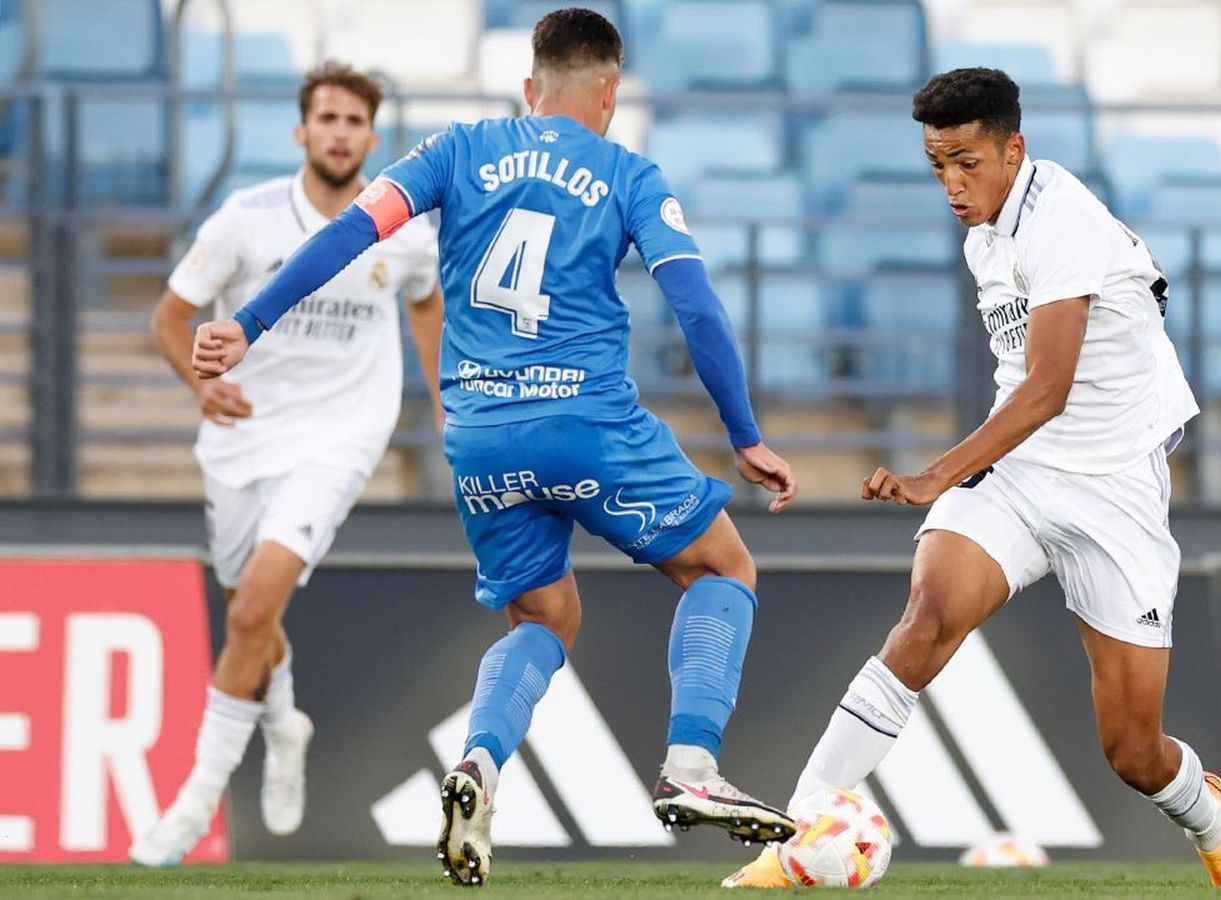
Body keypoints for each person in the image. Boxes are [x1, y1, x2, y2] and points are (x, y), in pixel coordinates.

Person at [189, 9, 799, 887]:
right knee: (722, 569)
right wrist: (744, 435)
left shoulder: (456, 149)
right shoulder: (628, 172)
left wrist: (249, 324)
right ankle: (692, 768)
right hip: (588, 421)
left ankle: (479, 764)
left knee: (543, 617)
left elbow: (350, 234)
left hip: (478, 436)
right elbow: (696, 307)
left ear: (529, 88)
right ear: (610, 93)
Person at [722, 68, 1221, 889]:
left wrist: (934, 475)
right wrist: (962, 481)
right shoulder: (985, 236)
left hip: (1114, 488)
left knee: (1132, 751)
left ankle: (1206, 811)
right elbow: (1030, 396)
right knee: (928, 615)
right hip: (1019, 472)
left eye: (967, 162)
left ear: (1014, 149)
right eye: (938, 164)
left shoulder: (1065, 218)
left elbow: (1047, 387)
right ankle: (798, 835)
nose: (952, 183)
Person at [132, 62, 443, 867]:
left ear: (373, 139)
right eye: (327, 118)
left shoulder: (404, 229)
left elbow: (426, 306)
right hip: (241, 440)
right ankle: (283, 722)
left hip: (339, 440)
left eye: (354, 122)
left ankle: (192, 806)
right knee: (252, 615)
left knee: (245, 617)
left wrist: (447, 402)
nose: (340, 132)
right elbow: (169, 318)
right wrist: (200, 391)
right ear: (301, 132)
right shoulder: (246, 219)